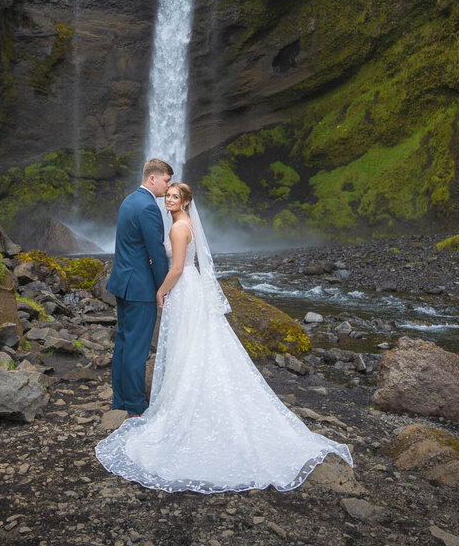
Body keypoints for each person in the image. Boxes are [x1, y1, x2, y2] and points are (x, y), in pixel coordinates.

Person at [96, 182, 353, 493]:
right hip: (192, 290)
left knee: (185, 346)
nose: (169, 199)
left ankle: (180, 400)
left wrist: (160, 291)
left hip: (181, 289)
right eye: (168, 195)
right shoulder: (185, 224)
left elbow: (176, 268)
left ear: (186, 202)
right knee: (196, 345)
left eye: (175, 196)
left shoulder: (178, 228)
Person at [105, 158, 172, 416]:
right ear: (152, 178)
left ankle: (119, 401)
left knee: (123, 343)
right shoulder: (148, 208)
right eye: (166, 180)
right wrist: (163, 287)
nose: (168, 186)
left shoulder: (129, 201)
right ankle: (135, 406)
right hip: (141, 288)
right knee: (137, 349)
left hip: (123, 283)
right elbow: (155, 252)